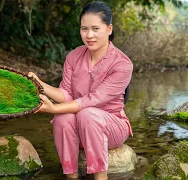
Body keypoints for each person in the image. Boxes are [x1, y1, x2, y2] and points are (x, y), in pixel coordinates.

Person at [28, 1, 133, 180]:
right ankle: (71, 176)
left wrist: (52, 109)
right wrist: (40, 84)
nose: (89, 35)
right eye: (84, 29)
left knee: (88, 114)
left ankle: (101, 177)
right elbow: (66, 94)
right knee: (63, 118)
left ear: (109, 29)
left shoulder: (122, 64)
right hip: (81, 126)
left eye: (95, 29)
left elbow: (91, 101)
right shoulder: (74, 56)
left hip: (111, 127)